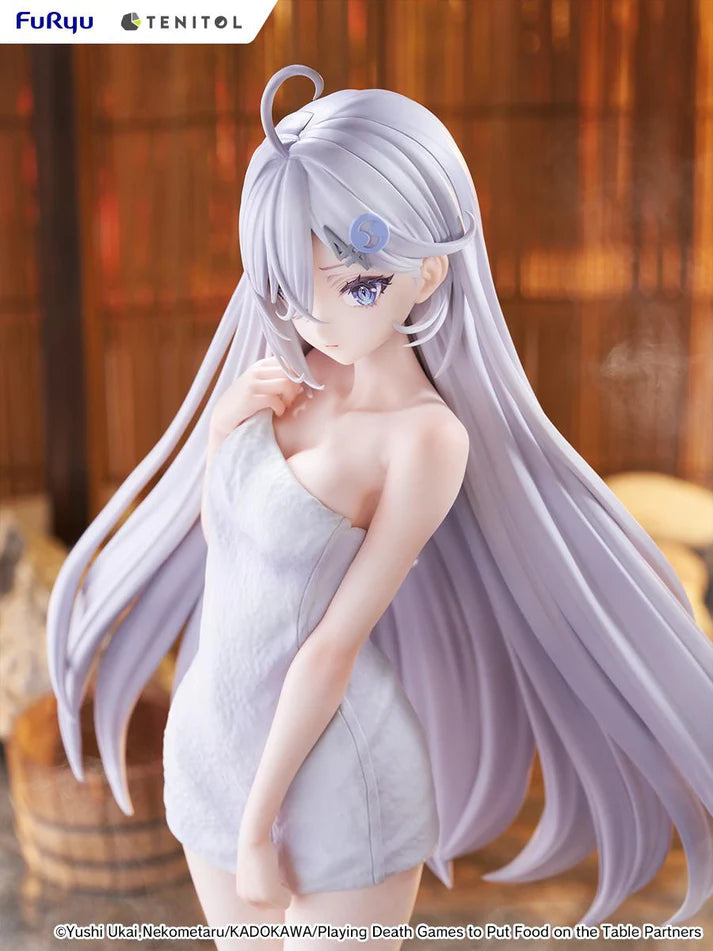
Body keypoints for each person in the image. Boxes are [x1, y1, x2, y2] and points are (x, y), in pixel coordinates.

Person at [47, 65, 713, 950]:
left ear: (428, 271)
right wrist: (220, 430)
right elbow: (227, 547)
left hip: (331, 773)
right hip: (212, 748)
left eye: (354, 284)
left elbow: (329, 646)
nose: (317, 317)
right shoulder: (288, 378)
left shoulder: (425, 439)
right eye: (291, 286)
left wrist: (259, 825)